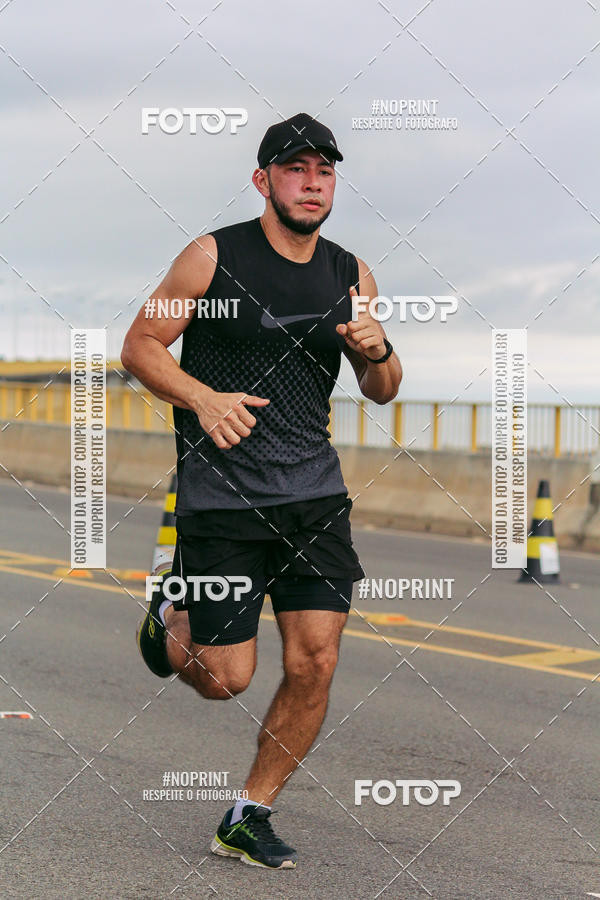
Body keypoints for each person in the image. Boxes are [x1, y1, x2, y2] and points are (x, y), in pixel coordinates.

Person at [121, 112, 402, 869]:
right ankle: (172, 613)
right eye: (295, 169)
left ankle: (249, 813)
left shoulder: (352, 274)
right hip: (225, 494)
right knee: (225, 678)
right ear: (263, 180)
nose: (312, 183)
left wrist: (380, 352)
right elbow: (141, 345)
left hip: (313, 497)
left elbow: (382, 389)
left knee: (316, 660)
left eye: (324, 171)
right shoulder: (213, 257)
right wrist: (201, 398)